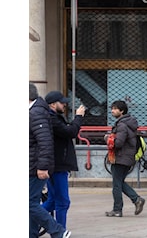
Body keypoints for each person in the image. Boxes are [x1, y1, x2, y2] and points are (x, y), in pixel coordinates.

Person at [29, 83, 71, 238]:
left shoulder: (38, 113)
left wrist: (42, 166)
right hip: (41, 164)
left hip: (40, 165)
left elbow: (46, 141)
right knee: (38, 202)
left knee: (32, 203)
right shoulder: (39, 113)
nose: (65, 106)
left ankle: (59, 230)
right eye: (63, 103)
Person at [42, 91, 85, 228]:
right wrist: (78, 117)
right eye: (62, 103)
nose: (65, 105)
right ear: (53, 104)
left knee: (53, 201)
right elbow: (70, 132)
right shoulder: (52, 118)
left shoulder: (53, 117)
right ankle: (60, 231)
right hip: (57, 165)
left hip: (56, 163)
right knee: (62, 202)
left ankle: (32, 220)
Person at [104, 100, 145, 217]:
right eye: (112, 108)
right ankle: (136, 200)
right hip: (127, 157)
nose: (112, 111)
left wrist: (107, 139)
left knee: (117, 184)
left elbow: (118, 143)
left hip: (121, 157)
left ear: (122, 111)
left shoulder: (122, 125)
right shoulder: (128, 123)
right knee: (120, 182)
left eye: (115, 109)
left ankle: (118, 209)